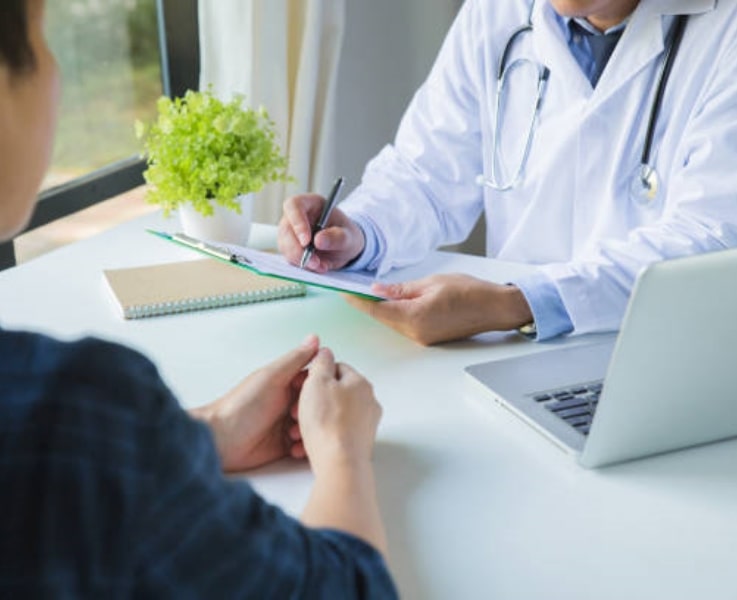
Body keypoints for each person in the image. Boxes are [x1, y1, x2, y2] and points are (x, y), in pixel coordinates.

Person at [0, 1, 397, 597]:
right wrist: (343, 451)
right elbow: (343, 587)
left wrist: (205, 431)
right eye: (43, 32)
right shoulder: (77, 404)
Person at [278, 0, 737, 345]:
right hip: (510, 352)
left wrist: (520, 302)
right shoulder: (499, 10)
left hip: (668, 353)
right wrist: (360, 232)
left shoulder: (726, 29)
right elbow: (426, 172)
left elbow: (711, 241)